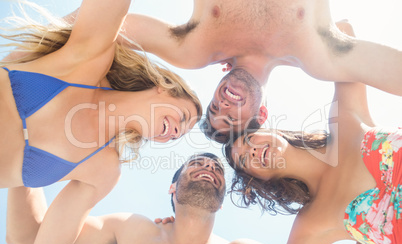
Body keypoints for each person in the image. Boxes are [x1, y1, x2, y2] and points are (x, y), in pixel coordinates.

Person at [0, 0, 201, 244]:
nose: (176, 131)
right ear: (164, 87)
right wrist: (195, 48)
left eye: (178, 136)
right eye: (183, 117)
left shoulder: (103, 167)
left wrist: (25, 181)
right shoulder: (93, 59)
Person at [223, 22, 401, 244]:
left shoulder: (345, 121)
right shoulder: (313, 223)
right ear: (257, 178)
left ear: (271, 131)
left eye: (250, 139)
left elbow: (343, 32)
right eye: (244, 160)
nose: (252, 150)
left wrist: (251, 64)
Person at [116, 0, 402, 142]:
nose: (224, 105)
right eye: (229, 117)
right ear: (261, 115)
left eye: (215, 107)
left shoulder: (197, 50)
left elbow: (106, 31)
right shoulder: (318, 61)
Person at [6, 153, 301, 244]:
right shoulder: (133, 231)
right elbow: (30, 236)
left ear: (221, 202)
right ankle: (29, 150)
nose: (209, 167)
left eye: (216, 170)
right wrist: (27, 166)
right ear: (172, 188)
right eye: (197, 164)